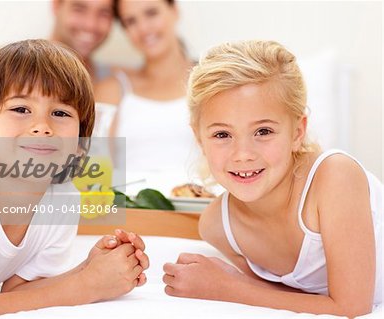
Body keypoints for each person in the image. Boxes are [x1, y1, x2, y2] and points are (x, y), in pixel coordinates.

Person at [162, 41, 382, 317]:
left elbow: (351, 307)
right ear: (199, 139)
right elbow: (282, 297)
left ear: (297, 132)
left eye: (263, 131)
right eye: (222, 135)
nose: (243, 155)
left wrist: (226, 287)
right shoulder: (217, 226)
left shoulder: (334, 178)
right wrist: (228, 281)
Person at [0, 39, 149, 317]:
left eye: (60, 113)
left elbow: (19, 292)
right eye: (21, 109)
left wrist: (89, 268)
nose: (42, 127)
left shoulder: (64, 198)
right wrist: (87, 286)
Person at [0, 0, 115, 170]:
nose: (91, 24)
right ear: (56, 5)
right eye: (79, 9)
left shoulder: (109, 82)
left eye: (104, 13)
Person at [95, 0, 197, 174]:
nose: (143, 28)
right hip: (130, 200)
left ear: (174, 11)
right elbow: (96, 170)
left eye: (151, 13)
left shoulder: (211, 81)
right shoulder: (113, 90)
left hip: (201, 199)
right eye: (131, 21)